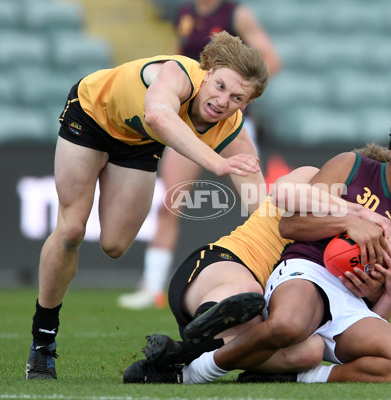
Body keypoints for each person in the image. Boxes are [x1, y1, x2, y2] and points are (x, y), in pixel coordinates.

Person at [124, 109, 391, 384]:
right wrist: (348, 221)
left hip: (351, 305)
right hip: (306, 271)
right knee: (287, 325)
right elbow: (291, 225)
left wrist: (390, 293)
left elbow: (384, 307)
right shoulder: (351, 166)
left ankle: (305, 378)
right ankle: (195, 371)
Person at [25, 31, 270, 380]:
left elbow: (261, 208)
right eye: (219, 86)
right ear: (208, 71)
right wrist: (216, 164)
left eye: (236, 97)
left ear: (246, 103)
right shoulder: (178, 73)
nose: (221, 101)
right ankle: (42, 342)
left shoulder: (233, 130)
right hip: (92, 115)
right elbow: (157, 115)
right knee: (72, 229)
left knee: (114, 244)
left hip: (138, 142)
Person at [118, 0, 282, 310]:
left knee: (257, 207)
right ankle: (151, 286)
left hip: (231, 126)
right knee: (171, 201)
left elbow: (270, 59)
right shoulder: (185, 13)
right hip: (193, 120)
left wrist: (236, 94)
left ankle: (275, 278)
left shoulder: (236, 14)